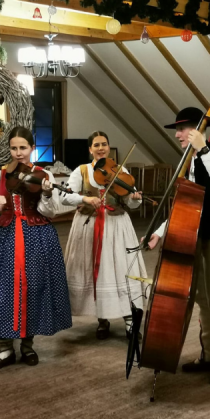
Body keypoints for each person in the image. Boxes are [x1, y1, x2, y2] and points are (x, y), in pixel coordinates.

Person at [147, 107, 210, 385]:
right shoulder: (188, 161)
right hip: (197, 235)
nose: (177, 134)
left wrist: (203, 150)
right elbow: (185, 205)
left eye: (182, 128)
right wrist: (159, 232)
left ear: (198, 128)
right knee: (202, 298)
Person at [0, 127, 72, 372]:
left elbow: (49, 212)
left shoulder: (43, 175)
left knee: (34, 288)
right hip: (6, 236)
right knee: (2, 290)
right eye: (14, 148)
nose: (18, 153)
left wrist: (46, 194)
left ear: (31, 148)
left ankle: (28, 345)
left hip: (36, 236)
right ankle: (5, 348)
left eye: (23, 148)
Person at [61, 131, 147, 340]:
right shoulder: (81, 171)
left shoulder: (120, 171)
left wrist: (135, 198)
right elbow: (64, 197)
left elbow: (132, 203)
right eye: (96, 145)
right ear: (90, 149)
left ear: (109, 147)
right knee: (95, 271)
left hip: (116, 225)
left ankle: (129, 320)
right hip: (89, 226)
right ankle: (102, 319)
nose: (101, 148)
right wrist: (85, 199)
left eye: (104, 144)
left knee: (121, 269)